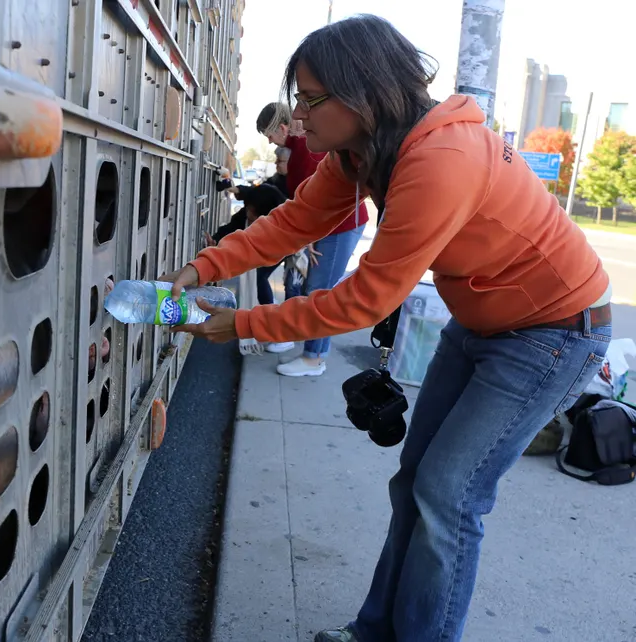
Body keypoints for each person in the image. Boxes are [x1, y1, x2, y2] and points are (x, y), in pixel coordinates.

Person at [160, 14, 611, 642]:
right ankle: (374, 632)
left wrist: (244, 323)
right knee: (415, 483)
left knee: (448, 496)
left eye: (310, 99)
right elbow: (293, 223)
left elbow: (364, 301)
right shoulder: (362, 150)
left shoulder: (441, 158)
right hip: (481, 325)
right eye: (298, 98)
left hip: (554, 332)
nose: (298, 117)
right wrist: (204, 264)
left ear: (363, 91)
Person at [257, 102, 368, 374]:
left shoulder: (303, 153)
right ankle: (303, 345)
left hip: (341, 225)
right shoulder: (300, 149)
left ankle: (314, 358)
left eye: (269, 135)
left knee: (319, 291)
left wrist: (309, 239)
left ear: (282, 129)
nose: (270, 142)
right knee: (313, 289)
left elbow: (312, 203)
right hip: (335, 224)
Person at [205, 183, 288, 314]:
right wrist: (216, 240)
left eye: (253, 214)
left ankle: (269, 312)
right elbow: (231, 228)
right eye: (248, 210)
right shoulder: (248, 211)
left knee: (259, 277)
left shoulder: (279, 227)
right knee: (254, 279)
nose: (249, 214)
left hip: (277, 251)